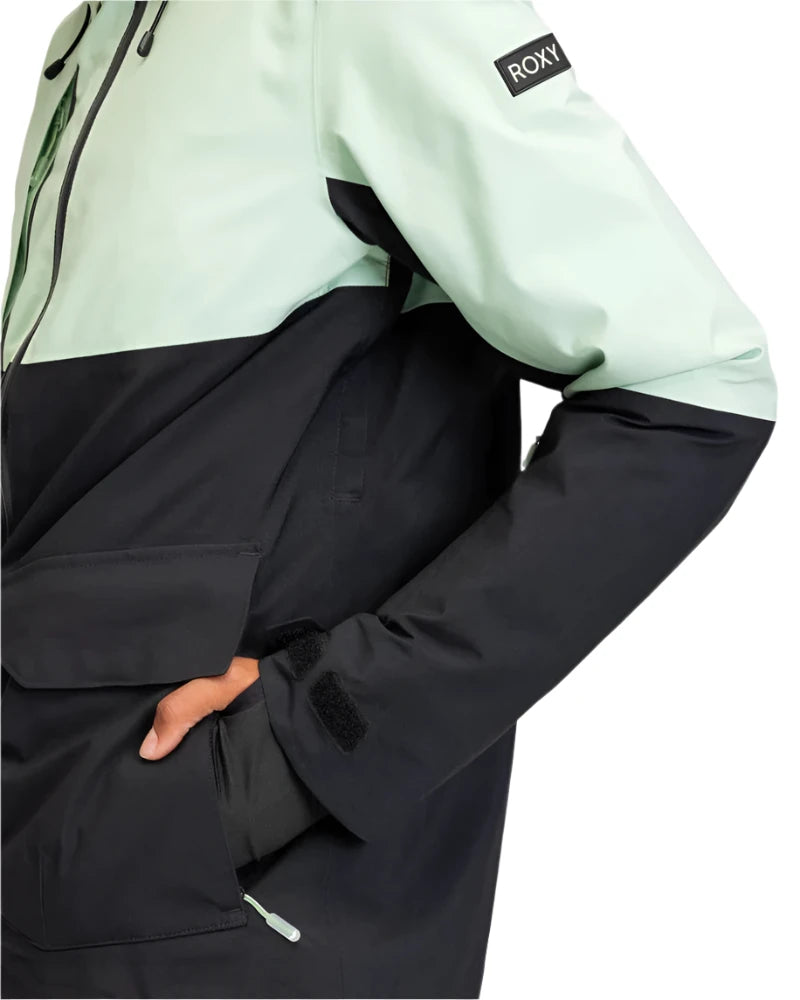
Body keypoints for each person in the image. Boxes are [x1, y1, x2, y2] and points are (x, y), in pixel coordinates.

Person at [0, 2, 776, 998]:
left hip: (242, 894)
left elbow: (694, 387)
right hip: (58, 860)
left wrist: (313, 735)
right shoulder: (86, 35)